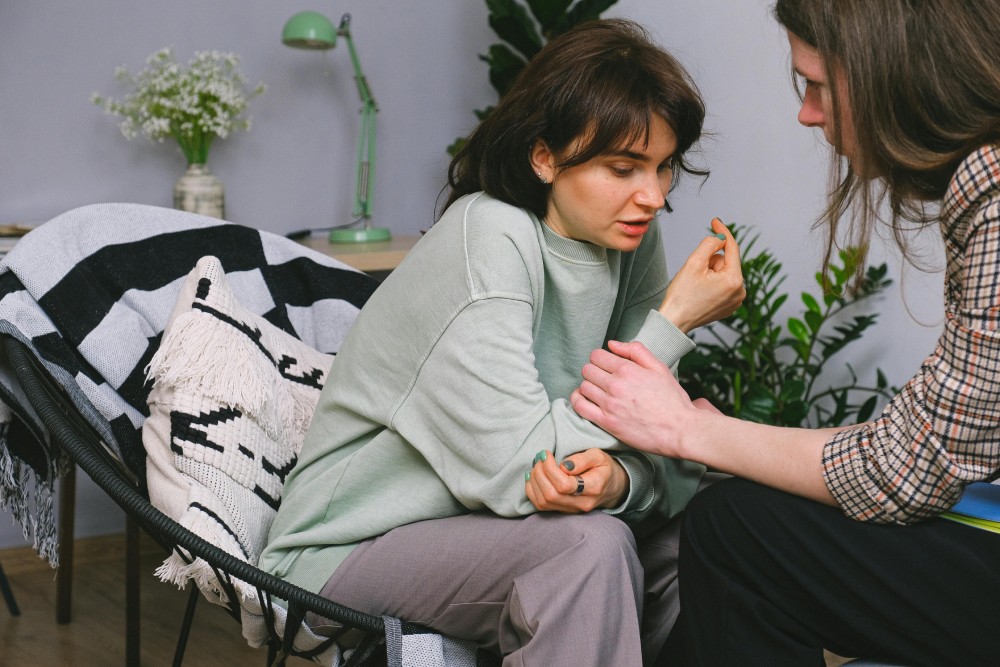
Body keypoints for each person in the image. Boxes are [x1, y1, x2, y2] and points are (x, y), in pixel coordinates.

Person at [259, 18, 745, 666]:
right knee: (587, 550)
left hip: (490, 529)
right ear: (544, 157)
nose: (653, 196)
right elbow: (522, 474)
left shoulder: (628, 238)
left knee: (725, 524)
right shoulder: (488, 237)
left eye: (663, 168)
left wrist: (621, 481)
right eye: (624, 167)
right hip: (346, 551)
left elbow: (663, 438)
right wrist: (673, 322)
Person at [569, 2, 1000, 665]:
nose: (806, 113)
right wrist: (709, 435)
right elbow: (932, 440)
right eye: (623, 169)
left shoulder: (991, 190)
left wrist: (686, 429)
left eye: (818, 85)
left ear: (891, 72)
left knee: (733, 528)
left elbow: (910, 467)